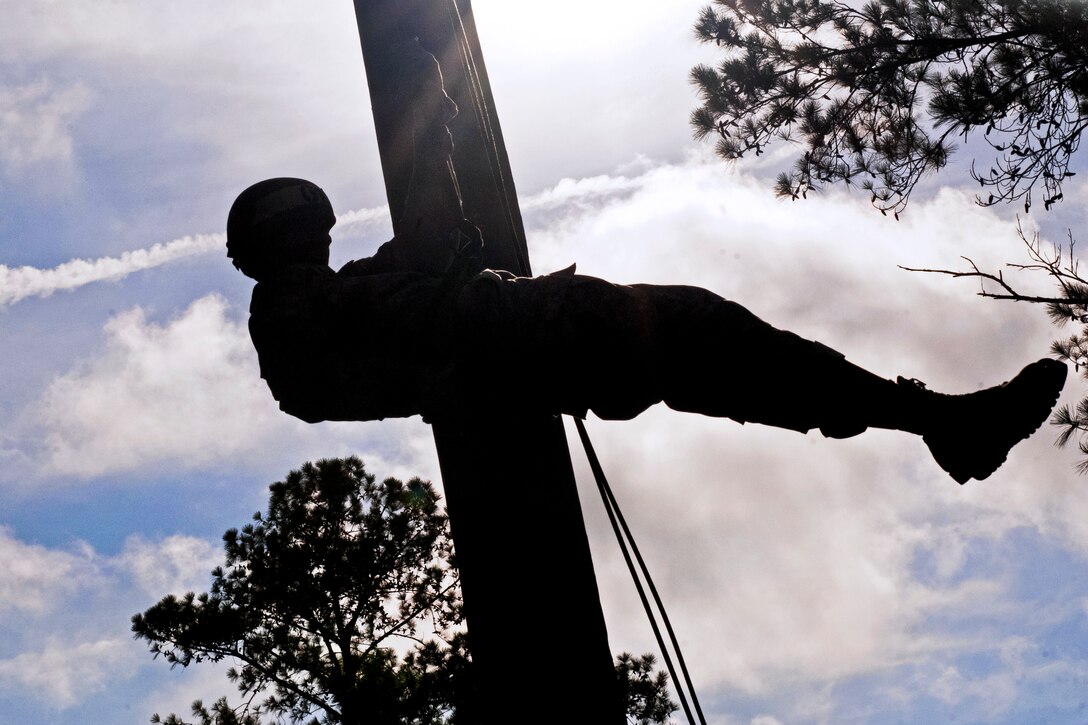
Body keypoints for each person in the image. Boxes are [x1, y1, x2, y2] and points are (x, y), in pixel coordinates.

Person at [226, 177, 1067, 485]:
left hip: (557, 350)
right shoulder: (302, 309)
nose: (327, 242)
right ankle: (940, 423)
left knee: (747, 365)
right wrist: (439, 281)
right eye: (316, 229)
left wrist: (422, 278)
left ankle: (938, 424)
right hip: (557, 341)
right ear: (290, 235)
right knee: (733, 347)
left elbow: (390, 323)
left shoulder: (319, 306)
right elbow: (404, 332)